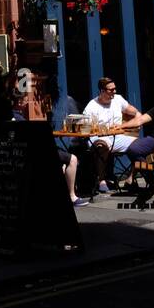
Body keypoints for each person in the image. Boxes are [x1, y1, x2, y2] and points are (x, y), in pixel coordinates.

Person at [82, 78, 144, 195]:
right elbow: (85, 127)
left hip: (118, 136)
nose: (114, 91)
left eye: (115, 89)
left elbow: (134, 111)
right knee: (102, 146)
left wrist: (138, 117)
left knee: (140, 145)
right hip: (99, 137)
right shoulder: (92, 106)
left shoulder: (118, 99)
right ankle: (101, 179)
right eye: (111, 90)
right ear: (102, 91)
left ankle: (130, 178)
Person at [46, 76, 88, 209]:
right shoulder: (52, 103)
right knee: (72, 159)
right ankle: (71, 196)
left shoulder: (62, 102)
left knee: (68, 159)